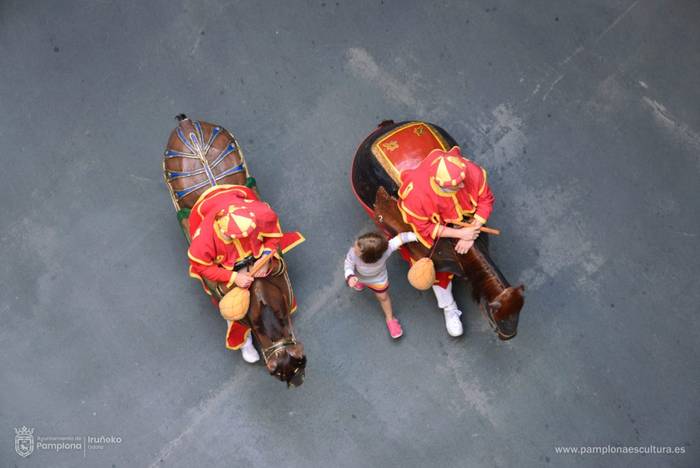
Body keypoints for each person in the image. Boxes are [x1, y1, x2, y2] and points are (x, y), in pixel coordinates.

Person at [187, 185, 304, 362]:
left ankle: (284, 307)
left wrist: (265, 258)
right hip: (228, 267)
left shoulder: (259, 213)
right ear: (221, 229)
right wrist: (234, 277)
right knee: (232, 304)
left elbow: (273, 236)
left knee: (279, 269)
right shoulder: (204, 240)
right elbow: (203, 267)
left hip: (257, 256)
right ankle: (245, 341)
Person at [397, 146, 495, 337]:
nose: (462, 185)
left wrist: (472, 230)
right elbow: (425, 228)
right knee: (436, 268)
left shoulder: (470, 171)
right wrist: (460, 234)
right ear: (440, 185)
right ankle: (449, 307)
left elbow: (485, 199)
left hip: (467, 224)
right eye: (457, 186)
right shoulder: (416, 196)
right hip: (436, 229)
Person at [344, 231, 418, 339]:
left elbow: (400, 239)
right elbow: (348, 263)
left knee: (383, 297)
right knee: (359, 280)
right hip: (359, 276)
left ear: (368, 258)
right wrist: (350, 275)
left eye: (356, 250)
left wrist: (414, 236)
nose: (353, 249)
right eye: (356, 244)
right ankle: (360, 282)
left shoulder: (386, 250)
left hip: (378, 280)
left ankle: (390, 318)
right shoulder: (353, 253)